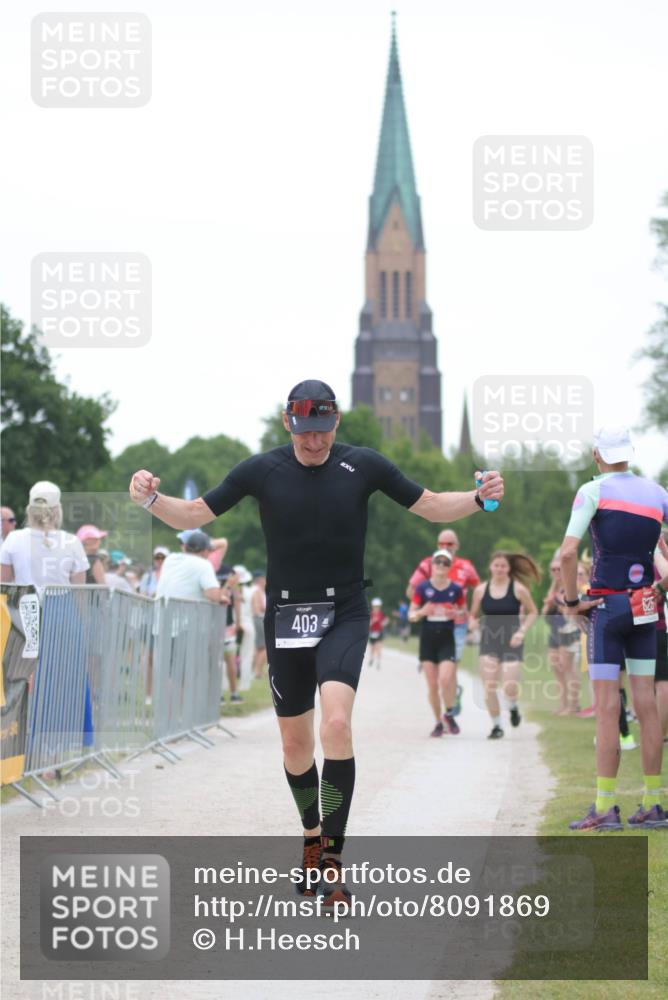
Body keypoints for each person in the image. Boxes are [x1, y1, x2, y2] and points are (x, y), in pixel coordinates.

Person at [128, 378, 504, 909]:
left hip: (344, 610)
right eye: (305, 433)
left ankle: (331, 857)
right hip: (285, 614)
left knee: (336, 724)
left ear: (336, 422)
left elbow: (433, 505)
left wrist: (479, 500)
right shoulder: (262, 469)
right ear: (288, 423)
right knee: (295, 746)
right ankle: (310, 836)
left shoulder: (363, 464)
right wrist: (150, 498)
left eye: (324, 432)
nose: (315, 443)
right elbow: (194, 515)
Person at [560, 426, 668, 831]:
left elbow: (569, 551)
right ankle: (653, 804)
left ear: (596, 454)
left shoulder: (593, 490)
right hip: (645, 607)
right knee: (647, 706)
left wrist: (572, 602)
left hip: (606, 608)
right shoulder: (658, 493)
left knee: (607, 708)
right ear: (629, 453)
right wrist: (657, 588)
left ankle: (605, 806)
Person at [407, 528, 480, 713]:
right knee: (437, 673)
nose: (445, 547)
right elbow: (411, 590)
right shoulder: (428, 564)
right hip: (431, 623)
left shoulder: (466, 566)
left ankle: (452, 697)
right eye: (441, 544)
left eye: (449, 544)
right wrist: (422, 607)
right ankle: (451, 694)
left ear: (457, 546)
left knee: (451, 665)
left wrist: (470, 614)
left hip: (457, 623)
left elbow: (478, 591)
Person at [469, 551, 540, 739]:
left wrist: (522, 631)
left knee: (509, 684)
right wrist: (472, 623)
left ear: (509, 569)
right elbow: (473, 614)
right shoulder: (480, 590)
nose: (499, 569)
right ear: (490, 567)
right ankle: (497, 726)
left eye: (503, 566)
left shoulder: (518, 589)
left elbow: (533, 612)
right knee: (489, 686)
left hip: (512, 641)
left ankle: (513, 706)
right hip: (488, 641)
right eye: (496, 565)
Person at [409, 549, 463, 736]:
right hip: (428, 638)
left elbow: (463, 612)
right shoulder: (422, 588)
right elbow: (411, 615)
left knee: (446, 679)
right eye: (438, 562)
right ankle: (438, 721)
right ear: (432, 565)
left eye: (445, 562)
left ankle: (449, 712)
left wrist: (455, 614)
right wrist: (422, 612)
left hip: (446, 638)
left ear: (450, 567)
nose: (441, 565)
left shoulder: (455, 589)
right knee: (432, 684)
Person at [0, 481, 88, 590]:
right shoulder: (73, 541)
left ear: (29, 510)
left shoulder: (13, 539)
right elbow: (80, 594)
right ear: (57, 511)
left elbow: (4, 587)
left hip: (22, 605)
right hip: (62, 606)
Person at [542, 552, 581, 715]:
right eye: (553, 570)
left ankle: (574, 705)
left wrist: (558, 605)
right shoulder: (554, 588)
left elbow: (571, 612)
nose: (556, 572)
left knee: (569, 669)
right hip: (554, 631)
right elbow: (544, 612)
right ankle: (563, 704)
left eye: (559, 569)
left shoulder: (571, 586)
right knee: (558, 670)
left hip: (569, 632)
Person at [156, 532, 225, 603]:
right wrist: (222, 595)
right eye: (210, 550)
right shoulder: (204, 564)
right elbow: (213, 596)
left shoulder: (170, 558)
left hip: (160, 612)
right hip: (183, 612)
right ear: (205, 551)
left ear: (186, 547)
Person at [234, 564, 255, 692]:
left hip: (233, 625)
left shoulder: (230, 591)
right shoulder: (251, 591)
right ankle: (244, 684)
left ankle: (225, 685)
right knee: (246, 655)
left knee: (228, 656)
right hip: (247, 623)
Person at [250, 570, 267, 679]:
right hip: (259, 618)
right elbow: (261, 606)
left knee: (258, 647)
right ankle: (257, 671)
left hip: (254, 619)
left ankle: (253, 670)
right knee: (265, 647)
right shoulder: (257, 591)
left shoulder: (251, 589)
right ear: (260, 579)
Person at [366, 597, 389, 669]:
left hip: (379, 632)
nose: (376, 608)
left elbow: (386, 620)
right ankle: (371, 658)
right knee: (372, 647)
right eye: (375, 606)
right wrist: (373, 621)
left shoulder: (381, 614)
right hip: (372, 632)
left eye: (378, 606)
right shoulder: (371, 614)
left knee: (378, 647)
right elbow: (368, 624)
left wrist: (384, 623)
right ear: (373, 606)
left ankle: (378, 662)